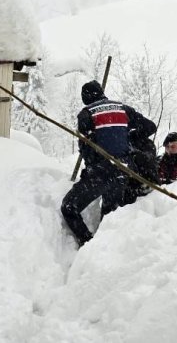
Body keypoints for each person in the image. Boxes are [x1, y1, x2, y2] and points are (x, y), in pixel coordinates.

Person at [61, 80, 156, 247]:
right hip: (123, 170)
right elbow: (150, 127)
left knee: (69, 207)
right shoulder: (121, 108)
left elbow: (87, 150)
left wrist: (90, 171)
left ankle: (88, 244)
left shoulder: (86, 114)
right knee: (109, 219)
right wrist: (128, 139)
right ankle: (105, 253)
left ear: (85, 97)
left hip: (102, 172)